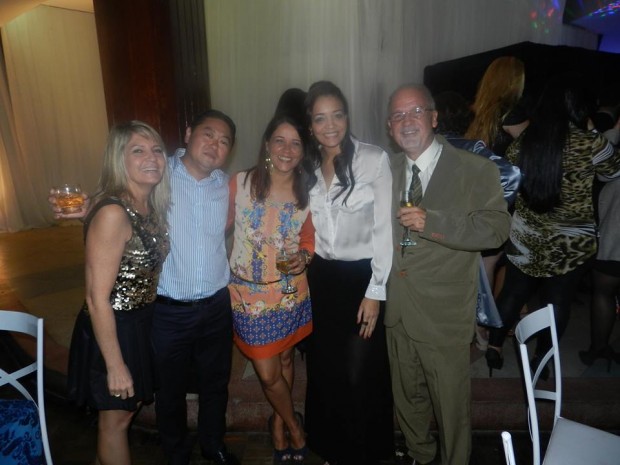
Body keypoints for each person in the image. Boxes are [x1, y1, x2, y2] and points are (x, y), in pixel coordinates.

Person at [386, 84, 511, 465]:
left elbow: (496, 229)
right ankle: (420, 455)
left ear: (434, 117)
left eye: (416, 112)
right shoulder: (384, 171)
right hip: (397, 309)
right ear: (389, 126)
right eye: (398, 115)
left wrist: (433, 222)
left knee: (451, 407)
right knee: (407, 398)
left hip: (443, 312)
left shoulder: (475, 169)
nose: (407, 122)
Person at [486, 75, 620, 378]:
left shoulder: (524, 142)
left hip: (525, 238)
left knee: (512, 294)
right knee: (557, 303)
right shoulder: (591, 143)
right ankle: (541, 360)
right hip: (570, 246)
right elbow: (613, 172)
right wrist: (592, 130)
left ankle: (494, 347)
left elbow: (507, 180)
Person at [66, 120, 170, 465]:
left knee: (126, 412)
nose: (151, 157)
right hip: (113, 327)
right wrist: (115, 365)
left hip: (139, 322)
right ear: (118, 160)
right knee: (116, 421)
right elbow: (96, 298)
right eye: (137, 150)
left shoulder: (146, 206)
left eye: (157, 149)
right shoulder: (114, 212)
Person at [303, 80, 394, 465]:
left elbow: (386, 230)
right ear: (310, 125)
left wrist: (375, 290)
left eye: (337, 115)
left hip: (362, 279)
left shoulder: (373, 159)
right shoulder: (308, 166)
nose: (330, 125)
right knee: (327, 368)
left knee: (360, 371)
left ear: (347, 116)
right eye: (320, 118)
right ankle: (333, 449)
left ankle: (364, 452)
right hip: (321, 279)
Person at [149, 109, 240, 465]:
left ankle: (212, 444)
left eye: (224, 141)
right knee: (168, 389)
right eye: (208, 134)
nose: (215, 145)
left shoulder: (225, 185)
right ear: (188, 134)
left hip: (216, 306)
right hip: (169, 310)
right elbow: (119, 198)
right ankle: (176, 454)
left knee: (215, 384)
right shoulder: (159, 175)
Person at [227, 114, 313, 464]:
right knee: (267, 372)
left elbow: (310, 237)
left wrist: (305, 256)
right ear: (267, 144)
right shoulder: (241, 183)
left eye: (295, 143)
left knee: (287, 358)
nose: (287, 149)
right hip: (248, 296)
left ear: (303, 150)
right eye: (280, 140)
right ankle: (294, 426)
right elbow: (211, 225)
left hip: (291, 292)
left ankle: (277, 422)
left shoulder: (308, 191)